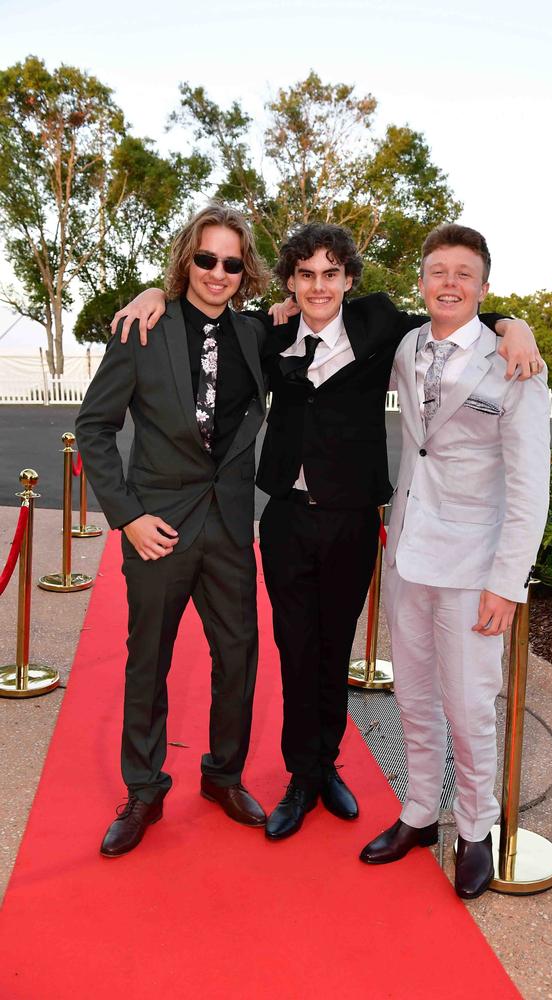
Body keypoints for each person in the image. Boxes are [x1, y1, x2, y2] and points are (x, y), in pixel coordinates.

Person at [113, 222, 542, 842]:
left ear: (348, 280)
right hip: (286, 515)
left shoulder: (382, 326)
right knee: (295, 649)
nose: (319, 286)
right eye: (306, 274)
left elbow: (457, 311)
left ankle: (326, 768)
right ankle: (298, 775)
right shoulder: (269, 331)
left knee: (334, 647)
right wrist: (157, 292)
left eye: (331, 274)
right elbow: (207, 320)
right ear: (289, 280)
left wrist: (513, 325)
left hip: (351, 517)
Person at [76, 203, 283, 857]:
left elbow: (346, 321)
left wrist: (505, 324)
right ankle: (144, 788)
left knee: (239, 657)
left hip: (228, 525)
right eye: (205, 259)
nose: (216, 273)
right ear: (185, 260)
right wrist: (129, 517)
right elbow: (94, 428)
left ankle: (223, 775)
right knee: (149, 661)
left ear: (243, 270)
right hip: (157, 528)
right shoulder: (144, 329)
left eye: (230, 262)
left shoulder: (256, 335)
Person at [359, 224, 550, 899]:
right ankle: (417, 813)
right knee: (412, 693)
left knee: (470, 704)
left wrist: (508, 582)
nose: (449, 283)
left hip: (476, 564)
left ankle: (474, 829)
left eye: (463, 273)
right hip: (410, 550)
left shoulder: (516, 362)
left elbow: (530, 484)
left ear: (484, 286)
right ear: (421, 282)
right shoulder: (409, 345)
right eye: (437, 270)